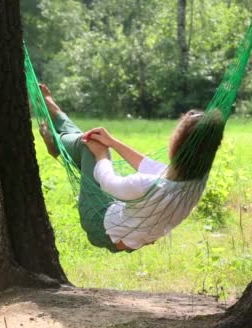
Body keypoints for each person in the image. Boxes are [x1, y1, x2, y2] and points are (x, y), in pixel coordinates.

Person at [38, 84, 222, 253]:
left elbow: (108, 183)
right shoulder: (196, 178)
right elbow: (150, 167)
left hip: (100, 224)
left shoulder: (146, 185)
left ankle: (55, 139)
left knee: (89, 144)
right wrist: (112, 142)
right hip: (129, 234)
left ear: (178, 146)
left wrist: (102, 153)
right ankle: (56, 117)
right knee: (90, 142)